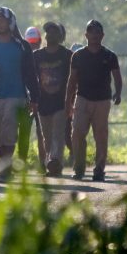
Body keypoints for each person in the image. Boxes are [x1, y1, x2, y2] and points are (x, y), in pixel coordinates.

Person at [0, 7, 40, 182]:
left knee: (8, 127)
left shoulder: (22, 46)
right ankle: (6, 161)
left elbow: (31, 73)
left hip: (16, 94)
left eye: (1, 20)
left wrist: (35, 99)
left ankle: (5, 169)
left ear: (11, 23)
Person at [65, 20, 121, 181]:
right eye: (91, 32)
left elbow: (117, 77)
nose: (95, 35)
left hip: (102, 100)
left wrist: (118, 93)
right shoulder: (78, 56)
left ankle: (99, 170)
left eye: (98, 32)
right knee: (77, 134)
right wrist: (68, 102)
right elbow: (72, 80)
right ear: (86, 35)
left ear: (102, 35)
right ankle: (79, 168)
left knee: (101, 135)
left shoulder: (109, 56)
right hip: (82, 99)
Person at [33, 22, 72, 177]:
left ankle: (56, 161)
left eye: (54, 32)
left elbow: (72, 78)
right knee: (46, 136)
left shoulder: (67, 55)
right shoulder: (37, 56)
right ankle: (51, 162)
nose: (50, 34)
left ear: (60, 36)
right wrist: (33, 99)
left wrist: (71, 100)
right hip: (43, 101)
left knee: (58, 132)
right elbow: (32, 77)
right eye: (48, 32)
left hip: (60, 101)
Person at [17, 25, 44, 168]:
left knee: (42, 131)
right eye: (31, 43)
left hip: (41, 98)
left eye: (35, 43)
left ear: (40, 41)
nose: (33, 46)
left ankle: (43, 162)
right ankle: (22, 161)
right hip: (26, 97)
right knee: (25, 130)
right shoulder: (24, 55)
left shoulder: (42, 55)